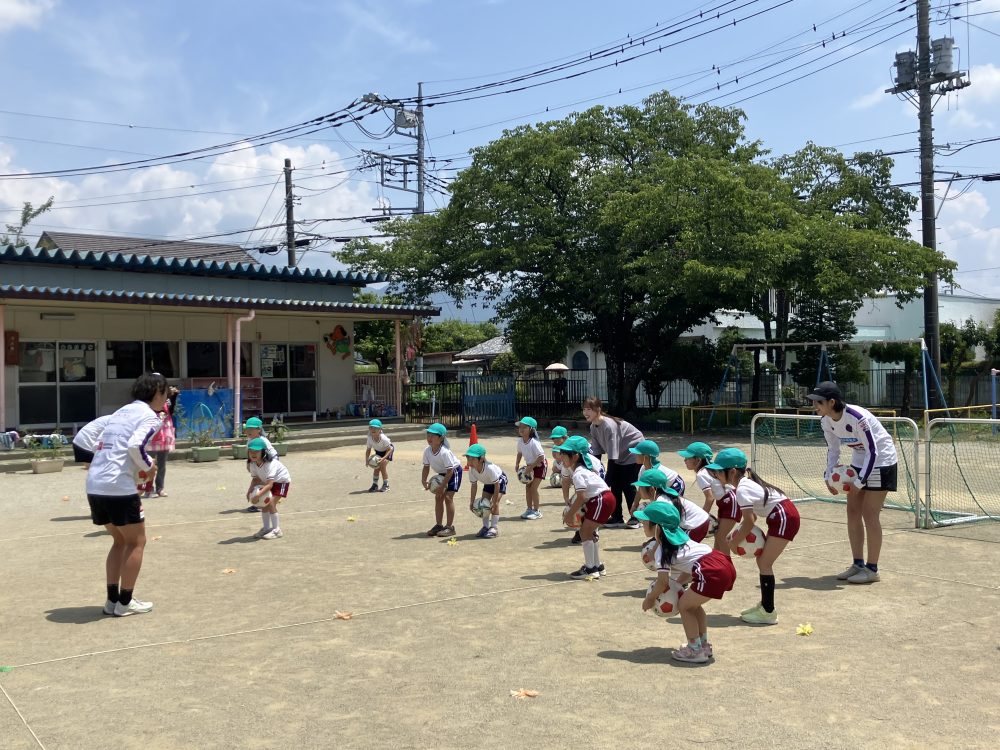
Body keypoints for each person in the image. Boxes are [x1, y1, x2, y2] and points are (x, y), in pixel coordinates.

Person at [86, 372, 167, 617]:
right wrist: (148, 466)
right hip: (118, 487)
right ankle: (126, 602)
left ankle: (112, 601)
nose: (166, 400)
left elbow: (90, 440)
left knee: (120, 541)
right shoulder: (150, 417)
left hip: (95, 484)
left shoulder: (120, 413)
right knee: (136, 542)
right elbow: (135, 445)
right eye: (165, 394)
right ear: (156, 393)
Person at [808, 381, 898, 584]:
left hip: (881, 461)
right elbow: (833, 450)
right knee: (852, 511)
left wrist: (860, 481)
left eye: (818, 402)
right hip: (860, 460)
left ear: (832, 402)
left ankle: (872, 569)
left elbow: (873, 451)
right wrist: (828, 477)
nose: (815, 407)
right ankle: (857, 564)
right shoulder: (826, 421)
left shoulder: (858, 418)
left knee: (870, 513)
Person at [706, 448, 800, 626]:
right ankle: (766, 607)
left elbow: (749, 521)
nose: (716, 474)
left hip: (785, 517)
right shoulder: (744, 484)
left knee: (764, 562)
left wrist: (733, 542)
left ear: (732, 471)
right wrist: (739, 534)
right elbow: (752, 518)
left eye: (719, 471)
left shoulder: (742, 489)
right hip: (782, 516)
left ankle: (768, 612)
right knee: (763, 562)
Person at [637, 502, 736, 664]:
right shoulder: (681, 537)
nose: (642, 524)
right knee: (693, 606)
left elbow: (662, 583)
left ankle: (695, 651)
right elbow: (691, 566)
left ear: (658, 527)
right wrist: (678, 583)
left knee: (684, 606)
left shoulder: (663, 550)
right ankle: (702, 645)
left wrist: (650, 599)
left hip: (710, 570)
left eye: (645, 521)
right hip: (722, 563)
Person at [583, 396, 645, 528]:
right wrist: (595, 472)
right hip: (620, 455)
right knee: (615, 485)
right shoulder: (593, 427)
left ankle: (636, 517)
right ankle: (617, 517)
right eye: (584, 409)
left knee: (627, 484)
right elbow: (596, 452)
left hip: (634, 451)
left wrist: (608, 477)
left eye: (589, 409)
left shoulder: (609, 426)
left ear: (598, 409)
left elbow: (612, 456)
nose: (585, 412)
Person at [561, 435, 615, 579]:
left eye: (564, 454)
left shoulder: (578, 473)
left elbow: (581, 497)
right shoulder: (581, 470)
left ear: (575, 457)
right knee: (589, 533)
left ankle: (590, 569)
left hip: (601, 500)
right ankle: (598, 566)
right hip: (604, 499)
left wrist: (570, 514)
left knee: (585, 532)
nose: (561, 457)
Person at [633, 469, 712, 542]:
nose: (639, 490)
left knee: (679, 549)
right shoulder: (660, 497)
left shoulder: (662, 502)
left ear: (652, 489)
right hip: (697, 523)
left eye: (641, 487)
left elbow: (667, 528)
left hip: (697, 525)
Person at [422, 422, 462, 537]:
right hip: (443, 474)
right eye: (428, 435)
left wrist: (442, 486)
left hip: (454, 472)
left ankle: (450, 527)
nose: (429, 438)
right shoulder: (427, 451)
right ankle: (439, 525)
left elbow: (450, 471)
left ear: (441, 438)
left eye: (433, 435)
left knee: (448, 498)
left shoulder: (445, 452)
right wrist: (423, 480)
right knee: (438, 497)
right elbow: (426, 467)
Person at [246, 437, 291, 539]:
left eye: (256, 451)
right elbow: (256, 479)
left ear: (263, 452)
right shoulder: (252, 463)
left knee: (270, 503)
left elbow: (270, 484)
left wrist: (257, 495)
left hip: (282, 481)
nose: (253, 453)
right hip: (269, 482)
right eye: (251, 451)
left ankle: (277, 530)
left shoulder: (270, 464)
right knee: (264, 505)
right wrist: (249, 491)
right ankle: (266, 528)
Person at [464, 444, 506, 538]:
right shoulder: (471, 469)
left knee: (494, 503)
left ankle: (494, 528)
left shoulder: (489, 468)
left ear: (482, 459)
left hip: (499, 481)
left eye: (473, 459)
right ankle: (485, 527)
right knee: (484, 503)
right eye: (468, 459)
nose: (469, 462)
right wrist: (472, 502)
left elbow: (496, 485)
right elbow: (474, 486)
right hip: (488, 482)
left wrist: (494, 502)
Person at [146, 385, 178, 497]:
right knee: (148, 463)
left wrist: (173, 396)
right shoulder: (150, 400)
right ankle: (148, 488)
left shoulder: (167, 400)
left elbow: (171, 410)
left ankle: (160, 488)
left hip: (165, 435)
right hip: (152, 436)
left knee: (162, 464)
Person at [514, 416, 546, 520]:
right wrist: (517, 464)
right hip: (530, 466)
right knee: (527, 488)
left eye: (524, 427)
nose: (521, 429)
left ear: (531, 429)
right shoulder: (520, 441)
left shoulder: (534, 442)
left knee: (533, 488)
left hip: (540, 466)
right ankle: (529, 509)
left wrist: (531, 467)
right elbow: (519, 452)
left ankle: (537, 511)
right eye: (520, 427)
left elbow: (541, 457)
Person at [242, 417, 275, 512]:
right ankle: (261, 502)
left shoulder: (263, 440)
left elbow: (271, 454)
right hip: (258, 464)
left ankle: (261, 504)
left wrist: (268, 466)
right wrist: (249, 463)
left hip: (268, 463)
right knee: (259, 482)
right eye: (247, 429)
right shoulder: (250, 440)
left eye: (252, 429)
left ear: (259, 430)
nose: (249, 431)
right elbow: (250, 453)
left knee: (263, 483)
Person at [364, 418, 394, 493]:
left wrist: (383, 458)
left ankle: (386, 485)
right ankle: (375, 485)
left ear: (380, 429)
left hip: (388, 451)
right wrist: (367, 460)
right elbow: (368, 449)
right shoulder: (370, 437)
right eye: (371, 427)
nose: (373, 429)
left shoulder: (384, 438)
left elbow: (390, 449)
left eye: (375, 428)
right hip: (378, 451)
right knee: (376, 468)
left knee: (382, 466)